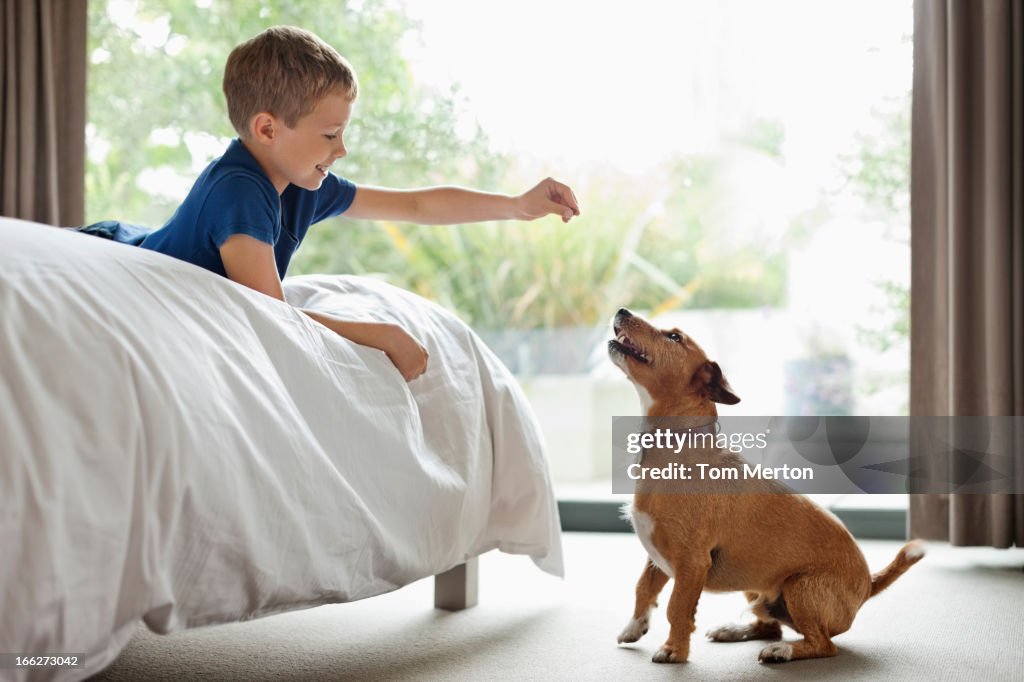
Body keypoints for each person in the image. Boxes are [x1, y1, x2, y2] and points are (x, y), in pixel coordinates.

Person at [121, 25, 580, 382]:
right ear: (267, 130)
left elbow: (416, 207)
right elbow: (271, 316)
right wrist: (380, 336)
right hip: (132, 260)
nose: (341, 149)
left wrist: (518, 205)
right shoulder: (239, 190)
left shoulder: (300, 181)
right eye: (329, 135)